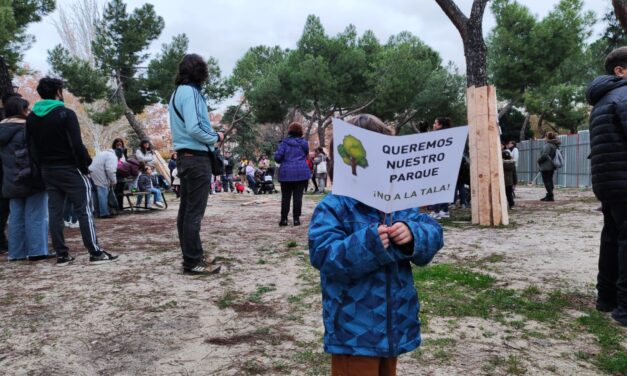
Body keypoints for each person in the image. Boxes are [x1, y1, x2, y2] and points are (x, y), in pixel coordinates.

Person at [308, 114, 444, 376]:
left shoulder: (398, 204)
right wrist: (368, 245)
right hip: (353, 332)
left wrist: (413, 235)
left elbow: (434, 231)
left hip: (393, 325)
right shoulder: (334, 207)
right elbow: (323, 255)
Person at [25, 77, 117, 265]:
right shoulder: (65, 114)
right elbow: (76, 143)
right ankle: (95, 252)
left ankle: (62, 254)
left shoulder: (32, 117)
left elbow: (31, 147)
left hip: (47, 170)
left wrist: (39, 167)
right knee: (84, 210)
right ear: (58, 92)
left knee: (55, 212)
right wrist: (84, 165)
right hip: (70, 168)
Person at [169, 53, 223, 275]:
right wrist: (216, 137)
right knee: (193, 213)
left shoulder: (177, 93)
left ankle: (193, 255)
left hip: (185, 157)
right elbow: (195, 127)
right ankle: (192, 261)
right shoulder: (190, 93)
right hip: (196, 158)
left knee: (186, 211)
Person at [585, 47, 627, 325]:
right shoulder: (624, 95)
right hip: (624, 178)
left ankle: (607, 297)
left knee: (612, 237)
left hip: (608, 182)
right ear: (620, 70)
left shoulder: (602, 100)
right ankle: (624, 308)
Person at [0, 96, 51, 261]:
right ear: (22, 111)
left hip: (10, 180)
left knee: (15, 218)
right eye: (27, 109)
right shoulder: (27, 129)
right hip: (31, 178)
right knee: (36, 215)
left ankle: (16, 253)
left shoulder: (2, 130)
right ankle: (37, 251)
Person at [274, 122, 311, 226]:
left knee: (285, 197)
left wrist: (278, 153)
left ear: (290, 131)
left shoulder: (284, 143)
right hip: (301, 172)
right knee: (298, 197)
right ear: (300, 131)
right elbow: (306, 153)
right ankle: (296, 219)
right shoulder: (304, 143)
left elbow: (277, 158)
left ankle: (284, 219)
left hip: (286, 173)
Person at [431, 117, 452, 219]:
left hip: (437, 166)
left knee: (435, 189)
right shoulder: (450, 135)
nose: (433, 125)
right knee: (443, 189)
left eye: (435, 123)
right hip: (447, 166)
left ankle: (436, 211)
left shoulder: (437, 135)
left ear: (440, 125)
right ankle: (445, 210)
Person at [89, 147, 119, 218]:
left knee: (95, 193)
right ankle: (104, 213)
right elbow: (110, 170)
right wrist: (114, 181)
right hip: (99, 174)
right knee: (103, 193)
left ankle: (97, 213)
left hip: (91, 172)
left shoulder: (103, 153)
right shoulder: (112, 156)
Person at [537, 131, 560, 202]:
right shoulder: (555, 145)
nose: (544, 138)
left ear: (547, 137)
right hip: (552, 165)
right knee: (549, 180)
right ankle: (549, 195)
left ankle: (550, 195)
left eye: (545, 136)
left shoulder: (548, 145)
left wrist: (539, 160)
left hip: (546, 165)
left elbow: (545, 155)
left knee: (546, 181)